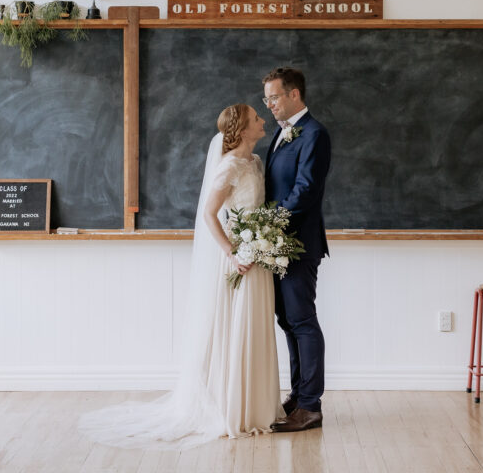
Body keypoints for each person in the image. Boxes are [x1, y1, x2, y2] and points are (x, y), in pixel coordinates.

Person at [78, 104, 283, 450]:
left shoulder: (256, 162)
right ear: (243, 129)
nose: (263, 121)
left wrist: (259, 241)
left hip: (257, 256)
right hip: (237, 260)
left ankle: (256, 409)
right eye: (256, 119)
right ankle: (233, 410)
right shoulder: (230, 165)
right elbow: (208, 214)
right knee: (236, 329)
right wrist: (233, 253)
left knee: (254, 326)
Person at [261, 67, 331, 432]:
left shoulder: (315, 134)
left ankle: (311, 406)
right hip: (276, 245)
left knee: (303, 321)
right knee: (288, 321)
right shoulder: (281, 133)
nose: (269, 104)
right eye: (267, 98)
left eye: (274, 97)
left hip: (299, 244)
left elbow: (305, 191)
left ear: (294, 94)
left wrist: (269, 227)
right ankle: (298, 394)